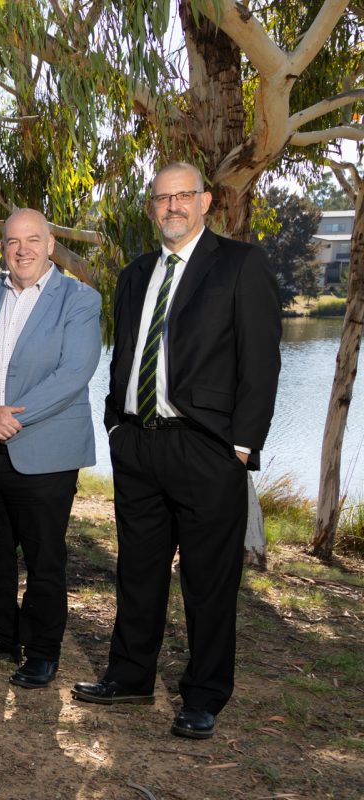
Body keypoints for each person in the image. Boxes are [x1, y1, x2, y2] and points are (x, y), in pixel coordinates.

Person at [72, 163, 282, 740]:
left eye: (182, 196)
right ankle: (130, 676)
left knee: (208, 582)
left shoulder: (240, 265)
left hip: (207, 448)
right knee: (137, 571)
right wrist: (117, 424)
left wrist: (241, 448)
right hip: (139, 442)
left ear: (205, 201)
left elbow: (261, 365)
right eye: (161, 198)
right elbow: (126, 354)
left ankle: (204, 694)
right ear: (151, 207)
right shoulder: (136, 272)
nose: (172, 207)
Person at [0, 209, 101, 689]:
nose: (22, 250)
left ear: (51, 244)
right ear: (2, 247)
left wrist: (1, 422)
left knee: (44, 559)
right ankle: (1, 632)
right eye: (13, 241)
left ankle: (41, 651)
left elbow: (72, 375)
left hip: (45, 453)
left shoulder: (79, 300)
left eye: (33, 240)